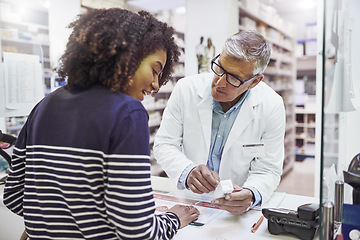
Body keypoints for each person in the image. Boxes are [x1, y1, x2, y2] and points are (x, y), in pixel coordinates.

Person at [3, 8, 199, 240]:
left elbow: (14, 197)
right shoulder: (127, 112)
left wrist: (60, 220)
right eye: (155, 70)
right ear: (128, 55)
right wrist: (173, 219)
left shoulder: (45, 105)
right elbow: (137, 231)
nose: (156, 85)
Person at [154, 30, 285, 216]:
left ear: (255, 81)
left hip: (235, 212)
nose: (220, 83)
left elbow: (268, 169)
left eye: (233, 78)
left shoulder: (271, 105)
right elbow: (164, 145)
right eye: (220, 68)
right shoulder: (186, 89)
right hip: (189, 201)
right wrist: (187, 171)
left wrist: (252, 193)